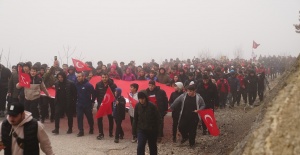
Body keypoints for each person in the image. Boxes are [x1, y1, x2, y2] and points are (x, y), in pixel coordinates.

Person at [133, 90, 161, 155]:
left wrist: (159, 133)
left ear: (145, 98)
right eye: (140, 99)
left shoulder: (152, 106)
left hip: (152, 130)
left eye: (142, 99)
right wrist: (134, 132)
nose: (141, 100)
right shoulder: (137, 106)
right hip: (141, 130)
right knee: (140, 146)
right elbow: (135, 119)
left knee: (152, 147)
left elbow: (159, 119)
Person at [95, 73, 117, 140]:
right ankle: (101, 133)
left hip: (109, 104)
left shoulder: (113, 85)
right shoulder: (98, 84)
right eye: (103, 77)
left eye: (106, 77)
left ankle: (110, 132)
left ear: (108, 77)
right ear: (101, 78)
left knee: (110, 119)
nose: (104, 78)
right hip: (101, 104)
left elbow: (115, 94)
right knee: (99, 118)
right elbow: (96, 94)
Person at [75, 72, 95, 137]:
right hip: (79, 104)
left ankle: (91, 128)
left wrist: (92, 101)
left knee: (89, 117)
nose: (78, 78)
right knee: (79, 117)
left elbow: (94, 93)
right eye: (77, 77)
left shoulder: (88, 85)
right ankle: (81, 131)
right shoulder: (76, 85)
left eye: (80, 76)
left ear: (83, 77)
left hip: (87, 104)